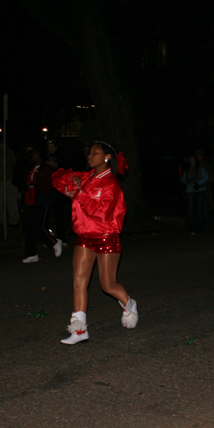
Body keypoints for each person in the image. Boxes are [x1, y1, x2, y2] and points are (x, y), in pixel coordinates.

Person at [51, 141, 138, 345]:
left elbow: (102, 212)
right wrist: (72, 179)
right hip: (84, 236)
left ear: (107, 157)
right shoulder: (87, 178)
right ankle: (80, 331)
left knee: (107, 285)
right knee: (79, 281)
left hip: (106, 236)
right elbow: (56, 178)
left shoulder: (111, 184)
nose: (90, 156)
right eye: (89, 153)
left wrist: (79, 194)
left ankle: (129, 303)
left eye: (95, 153)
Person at [20, 146, 62, 263]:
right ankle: (31, 254)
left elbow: (51, 185)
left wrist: (49, 199)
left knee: (38, 226)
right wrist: (22, 204)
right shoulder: (30, 168)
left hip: (41, 200)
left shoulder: (47, 169)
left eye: (36, 154)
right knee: (28, 228)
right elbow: (24, 185)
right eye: (32, 154)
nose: (34, 156)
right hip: (29, 200)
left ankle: (54, 242)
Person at [179, 154, 209, 233]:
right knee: (190, 208)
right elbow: (185, 180)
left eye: (192, 158)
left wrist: (198, 183)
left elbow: (206, 177)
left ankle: (199, 226)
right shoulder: (187, 170)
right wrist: (180, 178)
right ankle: (189, 226)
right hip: (190, 191)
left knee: (199, 208)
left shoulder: (200, 168)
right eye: (189, 159)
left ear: (195, 160)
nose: (191, 160)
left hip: (199, 190)